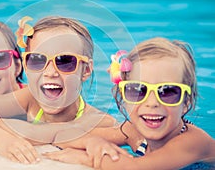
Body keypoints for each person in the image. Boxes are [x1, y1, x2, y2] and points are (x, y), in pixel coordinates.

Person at [0, 16, 116, 164]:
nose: (50, 73)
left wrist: (5, 125)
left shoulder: (99, 120)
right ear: (25, 64)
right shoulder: (29, 99)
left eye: (65, 61)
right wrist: (3, 141)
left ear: (85, 70)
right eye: (37, 60)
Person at [44, 37, 215, 169]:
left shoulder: (193, 142)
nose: (152, 103)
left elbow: (133, 168)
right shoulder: (132, 131)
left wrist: (87, 158)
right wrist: (91, 143)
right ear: (123, 96)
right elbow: (62, 135)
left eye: (168, 91)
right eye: (138, 90)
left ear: (186, 102)